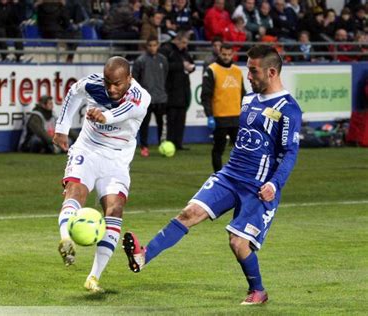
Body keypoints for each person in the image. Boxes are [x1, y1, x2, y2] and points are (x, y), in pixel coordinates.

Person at [123, 45, 302, 305]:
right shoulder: (249, 100)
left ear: (272, 72)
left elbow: (290, 153)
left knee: (238, 243)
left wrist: (275, 184)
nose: (248, 76)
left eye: (253, 71)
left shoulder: (288, 109)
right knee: (188, 213)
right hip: (229, 176)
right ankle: (142, 256)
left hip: (259, 187)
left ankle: (258, 291)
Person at [53, 56, 151, 293]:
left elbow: (123, 112)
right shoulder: (92, 84)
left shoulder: (141, 97)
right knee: (75, 193)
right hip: (87, 149)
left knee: (114, 210)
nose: (111, 88)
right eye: (108, 82)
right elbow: (73, 93)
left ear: (129, 78)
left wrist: (104, 116)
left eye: (117, 83)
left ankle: (93, 277)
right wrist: (61, 128)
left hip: (116, 159)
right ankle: (65, 238)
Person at [201, 43, 245, 172]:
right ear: (219, 53)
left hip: (236, 117)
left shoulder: (237, 71)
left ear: (233, 54)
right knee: (218, 149)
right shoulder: (212, 70)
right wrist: (209, 115)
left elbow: (243, 93)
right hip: (220, 117)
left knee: (241, 150)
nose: (226, 57)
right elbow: (206, 95)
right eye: (224, 54)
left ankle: (239, 174)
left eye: (229, 54)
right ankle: (218, 176)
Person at [132, 35, 168, 157]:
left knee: (161, 123)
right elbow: (134, 80)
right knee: (144, 124)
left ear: (158, 46)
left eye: (155, 45)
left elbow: (166, 75)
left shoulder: (163, 60)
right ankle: (144, 146)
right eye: (150, 45)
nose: (152, 48)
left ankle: (162, 145)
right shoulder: (140, 61)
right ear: (146, 46)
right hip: (145, 100)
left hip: (160, 98)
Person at [159, 30, 195, 150]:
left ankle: (178, 143)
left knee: (181, 118)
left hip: (183, 88)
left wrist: (191, 67)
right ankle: (169, 142)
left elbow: (190, 62)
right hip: (171, 89)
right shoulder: (166, 49)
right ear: (177, 40)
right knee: (171, 118)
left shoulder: (184, 51)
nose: (185, 45)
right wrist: (181, 66)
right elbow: (163, 66)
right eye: (184, 42)